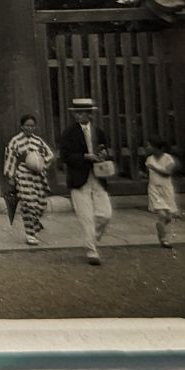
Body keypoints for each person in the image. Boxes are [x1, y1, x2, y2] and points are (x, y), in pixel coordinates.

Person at [57, 97, 114, 265]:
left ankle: (92, 239)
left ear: (90, 114)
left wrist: (103, 155)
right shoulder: (68, 133)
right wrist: (84, 156)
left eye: (83, 113)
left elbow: (105, 150)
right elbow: (65, 156)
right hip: (79, 178)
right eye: (77, 113)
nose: (79, 116)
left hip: (97, 176)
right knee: (86, 216)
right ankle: (91, 250)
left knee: (105, 214)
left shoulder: (99, 132)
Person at [3, 114, 55, 246]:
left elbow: (50, 154)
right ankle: (30, 234)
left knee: (40, 203)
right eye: (27, 125)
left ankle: (35, 225)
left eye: (32, 126)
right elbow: (10, 159)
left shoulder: (38, 141)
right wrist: (11, 177)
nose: (29, 128)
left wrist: (42, 164)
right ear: (22, 126)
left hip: (37, 176)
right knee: (28, 203)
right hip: (22, 175)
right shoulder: (15, 141)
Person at [145, 140, 180, 249]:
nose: (147, 148)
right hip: (154, 189)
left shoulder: (168, 158)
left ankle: (160, 226)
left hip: (166, 189)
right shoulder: (149, 159)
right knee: (162, 214)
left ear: (157, 147)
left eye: (149, 145)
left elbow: (167, 173)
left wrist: (154, 167)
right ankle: (163, 239)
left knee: (168, 217)